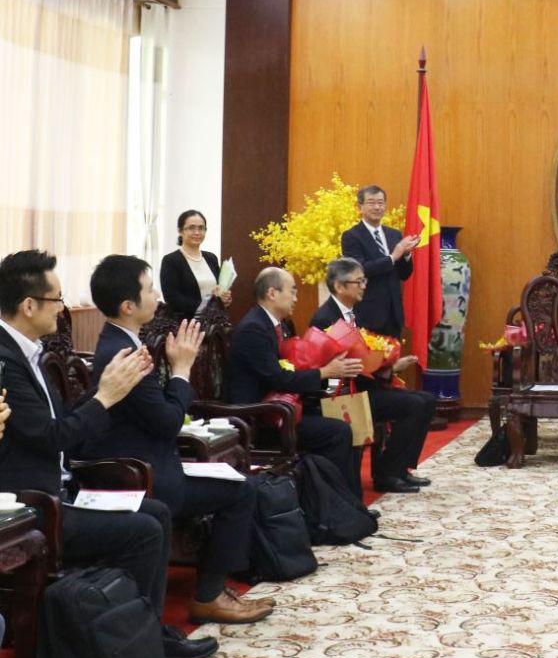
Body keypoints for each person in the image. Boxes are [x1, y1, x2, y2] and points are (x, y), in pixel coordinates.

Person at [0, 250, 219, 658]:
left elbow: (63, 423)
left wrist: (101, 395)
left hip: (57, 488)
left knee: (153, 513)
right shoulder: (6, 361)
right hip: (32, 506)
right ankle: (129, 639)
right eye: (58, 299)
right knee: (145, 529)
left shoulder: (27, 351)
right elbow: (51, 437)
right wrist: (105, 396)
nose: (63, 309)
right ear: (29, 305)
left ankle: (141, 631)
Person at [83, 255, 273, 624]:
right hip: (146, 475)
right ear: (128, 306)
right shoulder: (124, 356)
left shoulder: (120, 343)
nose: (157, 296)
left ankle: (213, 590)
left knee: (241, 484)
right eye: (150, 289)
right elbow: (169, 422)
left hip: (154, 462)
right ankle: (209, 596)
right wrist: (182, 370)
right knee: (242, 492)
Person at [226, 267, 367, 500]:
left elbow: (292, 368)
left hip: (283, 405)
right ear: (272, 293)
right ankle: (338, 503)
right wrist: (324, 371)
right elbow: (277, 378)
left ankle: (349, 503)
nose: (295, 298)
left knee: (347, 422)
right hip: (260, 417)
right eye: (292, 291)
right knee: (338, 431)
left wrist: (330, 376)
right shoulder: (254, 328)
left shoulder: (280, 324)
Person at [309, 258, 435, 493]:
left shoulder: (355, 313)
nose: (364, 285)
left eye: (363, 280)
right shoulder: (325, 318)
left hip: (365, 384)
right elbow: (328, 366)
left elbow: (363, 353)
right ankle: (387, 473)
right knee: (413, 405)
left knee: (426, 400)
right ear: (339, 286)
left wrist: (390, 365)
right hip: (344, 393)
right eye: (358, 281)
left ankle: (398, 469)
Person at [340, 185, 420, 337]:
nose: (377, 207)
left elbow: (404, 275)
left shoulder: (394, 234)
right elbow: (360, 270)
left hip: (393, 314)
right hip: (367, 314)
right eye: (371, 202)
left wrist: (406, 255)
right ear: (360, 206)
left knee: (393, 360)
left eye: (381, 203)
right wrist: (393, 256)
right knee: (369, 360)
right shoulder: (351, 236)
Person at [159, 209, 233, 316]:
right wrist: (209, 306)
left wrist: (225, 299)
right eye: (191, 228)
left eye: (201, 228)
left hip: (215, 323)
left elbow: (219, 289)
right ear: (180, 231)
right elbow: (173, 300)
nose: (197, 232)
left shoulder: (211, 258)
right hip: (187, 324)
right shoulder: (171, 261)